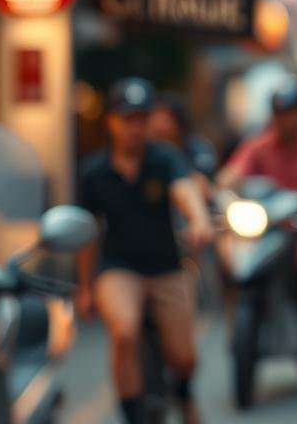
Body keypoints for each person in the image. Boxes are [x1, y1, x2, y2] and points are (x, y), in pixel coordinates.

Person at [76, 78, 214, 424]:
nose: (135, 127)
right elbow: (87, 232)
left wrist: (198, 220)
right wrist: (85, 287)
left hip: (166, 266)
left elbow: (184, 189)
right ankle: (133, 414)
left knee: (183, 357)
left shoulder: (164, 157)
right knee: (124, 331)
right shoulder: (94, 173)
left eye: (141, 118)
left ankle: (183, 391)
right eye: (127, 118)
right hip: (118, 267)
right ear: (111, 120)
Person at [217, 78, 297, 379]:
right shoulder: (257, 144)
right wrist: (220, 190)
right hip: (266, 230)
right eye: (278, 111)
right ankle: (233, 322)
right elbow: (230, 176)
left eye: (290, 111)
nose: (283, 118)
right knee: (225, 256)